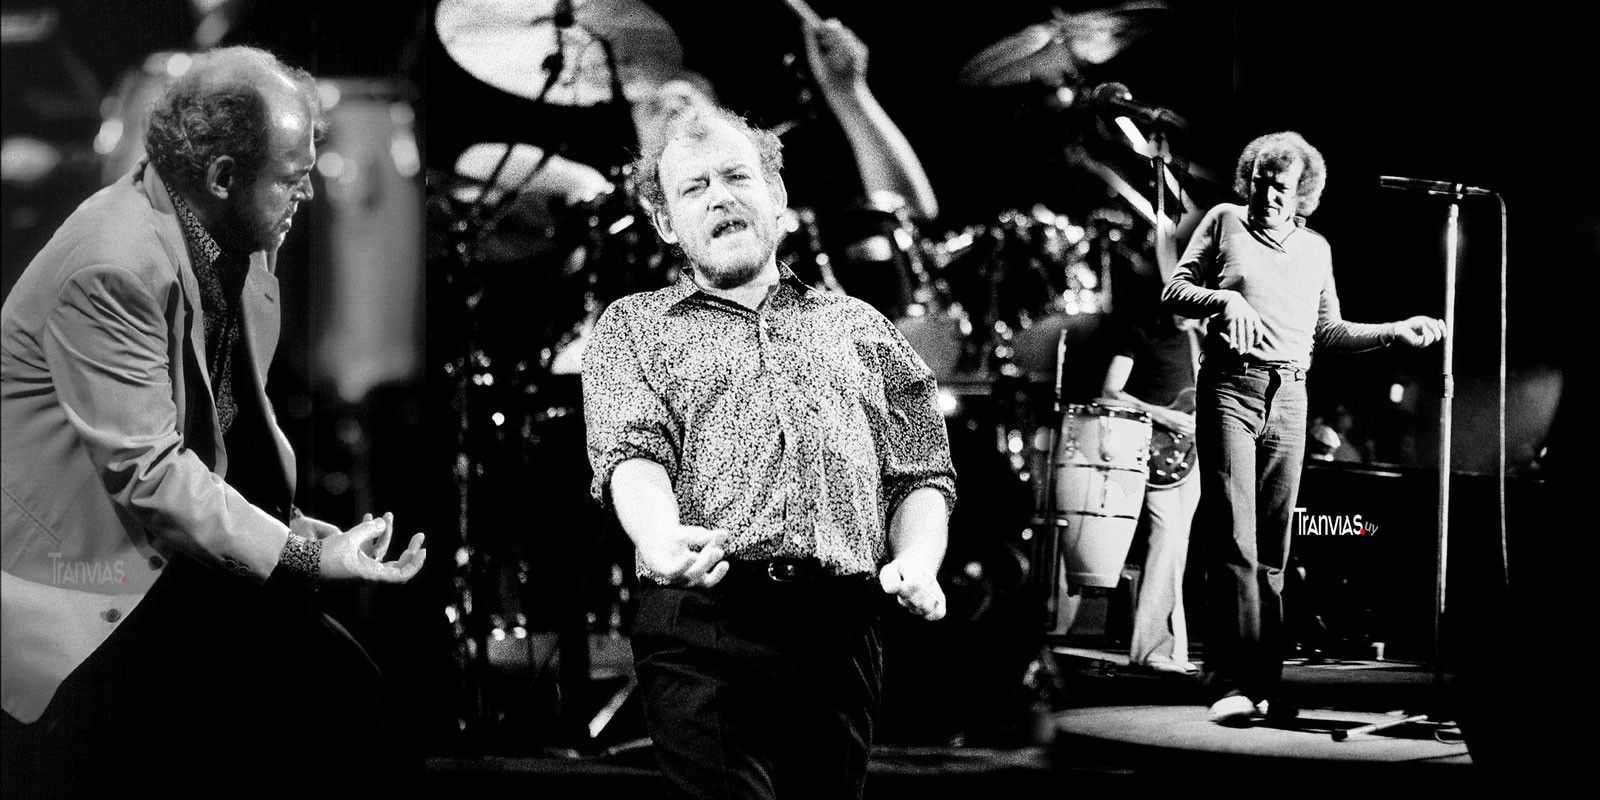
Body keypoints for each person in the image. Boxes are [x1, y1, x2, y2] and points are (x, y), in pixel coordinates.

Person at [0, 47, 427, 796]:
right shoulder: (112, 265)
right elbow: (152, 475)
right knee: (309, 704)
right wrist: (301, 559)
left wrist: (297, 531)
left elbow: (224, 433)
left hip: (162, 555)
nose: (307, 193)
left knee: (346, 690)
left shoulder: (236, 241)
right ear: (225, 176)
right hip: (82, 577)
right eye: (291, 178)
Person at [581, 101, 956, 799]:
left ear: (776, 196)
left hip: (840, 625)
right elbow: (631, 453)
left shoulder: (860, 326)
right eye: (694, 187)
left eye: (736, 177)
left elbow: (921, 473)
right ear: (666, 223)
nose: (719, 196)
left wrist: (918, 558)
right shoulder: (633, 327)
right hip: (705, 622)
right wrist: (659, 537)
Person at [1161, 131, 1445, 726]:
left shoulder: (1316, 249)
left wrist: (1394, 330)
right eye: (1259, 182)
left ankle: (1262, 684)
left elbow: (1330, 331)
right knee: (1234, 540)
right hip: (1231, 388)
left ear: (1302, 194)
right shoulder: (1224, 221)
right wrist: (1224, 301)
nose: (1267, 194)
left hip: (1290, 396)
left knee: (1273, 552)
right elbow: (1174, 291)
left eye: (1280, 187)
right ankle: (1232, 681)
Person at [1098, 310, 1203, 675]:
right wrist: (1161, 414)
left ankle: (1171, 650)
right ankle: (1153, 648)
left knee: (1177, 548)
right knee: (1168, 538)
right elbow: (1110, 392)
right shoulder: (1141, 332)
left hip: (1194, 452)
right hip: (1157, 447)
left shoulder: (1201, 338)